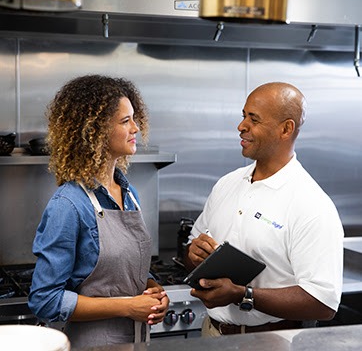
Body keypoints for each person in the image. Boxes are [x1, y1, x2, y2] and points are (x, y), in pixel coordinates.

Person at [184, 82, 344, 337]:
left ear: (286, 129)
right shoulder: (227, 184)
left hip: (271, 341)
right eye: (243, 115)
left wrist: (242, 294)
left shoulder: (311, 204)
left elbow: (323, 303)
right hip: (212, 334)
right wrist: (194, 253)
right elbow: (192, 248)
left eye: (254, 119)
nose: (241, 126)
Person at [28, 74, 169, 347]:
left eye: (134, 119)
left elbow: (122, 272)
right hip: (92, 343)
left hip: (136, 340)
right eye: (125, 121)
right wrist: (128, 306)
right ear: (95, 130)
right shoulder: (68, 204)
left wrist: (150, 287)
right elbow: (45, 300)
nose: (136, 128)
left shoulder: (129, 194)